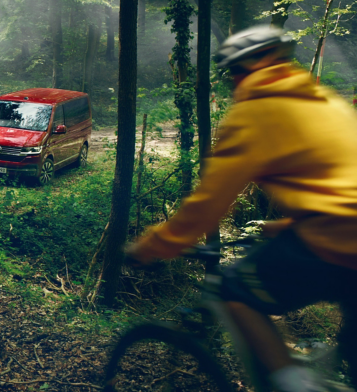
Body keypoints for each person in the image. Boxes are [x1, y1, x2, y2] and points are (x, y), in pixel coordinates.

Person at [126, 26, 357, 392]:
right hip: (337, 229)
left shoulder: (256, 110)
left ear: (247, 66)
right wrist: (284, 228)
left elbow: (209, 203)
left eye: (231, 71)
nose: (231, 81)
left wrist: (152, 246)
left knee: (235, 289)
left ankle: (296, 385)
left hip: (338, 235)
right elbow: (336, 179)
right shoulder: (325, 101)